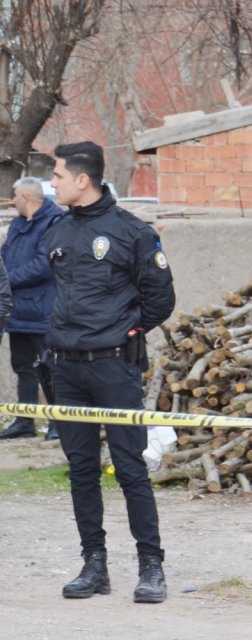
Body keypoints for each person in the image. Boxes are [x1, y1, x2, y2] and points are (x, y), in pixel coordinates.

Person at [45, 141, 175, 604]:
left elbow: (160, 298)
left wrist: (126, 331)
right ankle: (94, 565)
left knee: (129, 469)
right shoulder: (57, 231)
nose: (52, 183)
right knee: (81, 471)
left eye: (57, 175)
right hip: (66, 372)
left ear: (82, 180)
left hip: (113, 368)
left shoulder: (131, 233)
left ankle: (151, 567)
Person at [0, 177, 61, 440]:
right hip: (18, 312)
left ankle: (59, 422)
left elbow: (44, 264)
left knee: (49, 368)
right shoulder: (16, 225)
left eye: (14, 197)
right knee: (23, 367)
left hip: (43, 310)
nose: (12, 201)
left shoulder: (54, 223)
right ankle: (25, 421)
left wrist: (6, 280)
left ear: (25, 197)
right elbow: (3, 255)